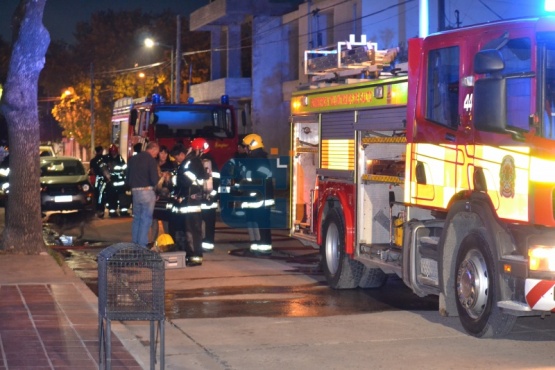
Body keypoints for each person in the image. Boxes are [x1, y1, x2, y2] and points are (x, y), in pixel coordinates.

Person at [170, 143, 206, 266]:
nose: (176, 160)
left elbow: (186, 181)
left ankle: (195, 256)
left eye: (176, 157)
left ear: (181, 154)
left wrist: (175, 177)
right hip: (187, 201)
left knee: (193, 231)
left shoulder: (192, 162)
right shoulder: (187, 163)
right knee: (187, 230)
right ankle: (190, 254)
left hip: (192, 202)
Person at [240, 133, 274, 254]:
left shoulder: (260, 160)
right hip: (252, 199)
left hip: (260, 199)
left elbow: (260, 178)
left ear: (252, 146)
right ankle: (255, 247)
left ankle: (264, 248)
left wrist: (247, 184)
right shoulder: (251, 160)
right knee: (252, 222)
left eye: (246, 146)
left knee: (262, 224)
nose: (244, 149)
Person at [126, 141, 160, 248]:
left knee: (137, 218)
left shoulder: (133, 159)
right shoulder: (150, 160)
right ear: (153, 149)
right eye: (156, 152)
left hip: (135, 192)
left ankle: (135, 244)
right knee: (146, 219)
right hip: (147, 191)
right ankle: (142, 246)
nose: (156, 155)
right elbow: (154, 179)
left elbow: (127, 178)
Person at [190, 138, 219, 252]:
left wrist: (210, 195)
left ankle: (206, 245)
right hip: (209, 197)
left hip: (206, 198)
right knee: (208, 222)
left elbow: (213, 181)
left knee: (205, 222)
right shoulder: (210, 160)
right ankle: (207, 244)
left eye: (194, 149)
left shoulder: (204, 162)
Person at [150, 145, 177, 243]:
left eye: (165, 153)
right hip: (155, 197)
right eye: (161, 152)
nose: (163, 155)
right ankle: (153, 241)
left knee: (166, 220)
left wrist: (168, 178)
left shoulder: (171, 166)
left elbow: (174, 183)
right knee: (154, 219)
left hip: (166, 198)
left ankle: (168, 241)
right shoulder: (153, 165)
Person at [104, 144, 131, 217]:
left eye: (114, 151)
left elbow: (124, 168)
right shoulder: (107, 159)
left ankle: (123, 211)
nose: (113, 153)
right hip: (112, 182)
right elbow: (105, 170)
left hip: (120, 182)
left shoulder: (120, 158)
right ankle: (112, 212)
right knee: (112, 197)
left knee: (122, 197)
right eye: (112, 151)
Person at [89, 145, 108, 218]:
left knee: (96, 195)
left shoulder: (93, 160)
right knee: (102, 195)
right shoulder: (104, 159)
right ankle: (101, 210)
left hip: (96, 179)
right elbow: (108, 168)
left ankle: (97, 210)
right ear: (101, 151)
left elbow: (92, 171)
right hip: (104, 179)